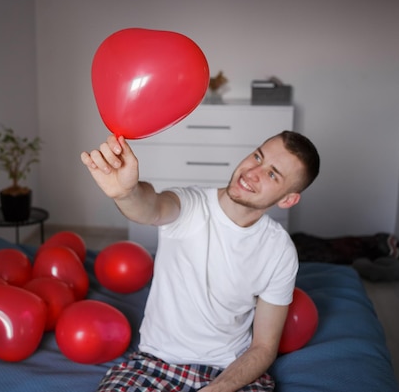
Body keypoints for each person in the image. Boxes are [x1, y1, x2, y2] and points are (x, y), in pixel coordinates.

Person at [80, 130, 320, 392]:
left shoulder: (280, 251)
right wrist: (126, 193)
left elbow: (263, 347)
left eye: (272, 174)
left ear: (288, 199)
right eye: (257, 157)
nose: (252, 172)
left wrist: (216, 389)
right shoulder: (190, 203)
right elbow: (149, 206)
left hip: (229, 372)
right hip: (155, 364)